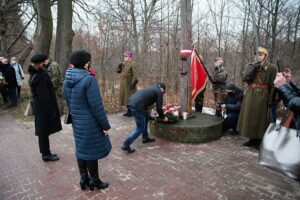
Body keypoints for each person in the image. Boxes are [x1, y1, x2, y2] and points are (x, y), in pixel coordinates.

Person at [63, 50, 112, 191]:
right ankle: (95, 181)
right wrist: (105, 125)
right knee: (90, 152)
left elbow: (68, 102)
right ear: (86, 63)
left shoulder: (67, 80)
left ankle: (84, 179)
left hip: (77, 123)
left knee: (81, 150)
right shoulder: (88, 79)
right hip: (90, 123)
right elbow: (96, 107)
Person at [237, 46, 277, 149]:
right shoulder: (251, 66)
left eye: (260, 54)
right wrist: (253, 69)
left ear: (265, 56)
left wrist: (272, 99)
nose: (258, 56)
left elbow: (273, 85)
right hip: (250, 94)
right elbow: (243, 78)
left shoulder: (271, 67)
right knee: (250, 117)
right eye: (256, 54)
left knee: (260, 118)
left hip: (263, 95)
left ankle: (259, 140)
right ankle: (251, 139)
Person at [29, 54, 62, 162]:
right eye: (44, 61)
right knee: (43, 131)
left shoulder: (38, 73)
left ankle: (46, 152)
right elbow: (44, 97)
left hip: (41, 107)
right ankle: (46, 154)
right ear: (41, 63)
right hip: (43, 108)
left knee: (43, 131)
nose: (46, 63)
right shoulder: (39, 77)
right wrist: (51, 111)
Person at [121, 83, 168, 153]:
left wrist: (151, 112)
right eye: (163, 92)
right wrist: (163, 117)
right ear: (162, 89)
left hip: (132, 102)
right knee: (140, 127)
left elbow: (146, 99)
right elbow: (159, 108)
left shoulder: (152, 88)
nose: (163, 94)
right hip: (138, 106)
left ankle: (145, 138)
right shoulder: (159, 91)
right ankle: (126, 144)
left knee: (146, 117)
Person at [118, 50, 139, 117]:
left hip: (129, 83)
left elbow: (135, 74)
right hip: (123, 83)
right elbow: (119, 71)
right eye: (124, 56)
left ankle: (131, 111)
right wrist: (119, 67)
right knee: (124, 97)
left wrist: (134, 82)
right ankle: (128, 111)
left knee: (130, 97)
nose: (124, 57)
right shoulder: (124, 63)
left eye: (125, 56)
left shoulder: (133, 63)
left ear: (129, 57)